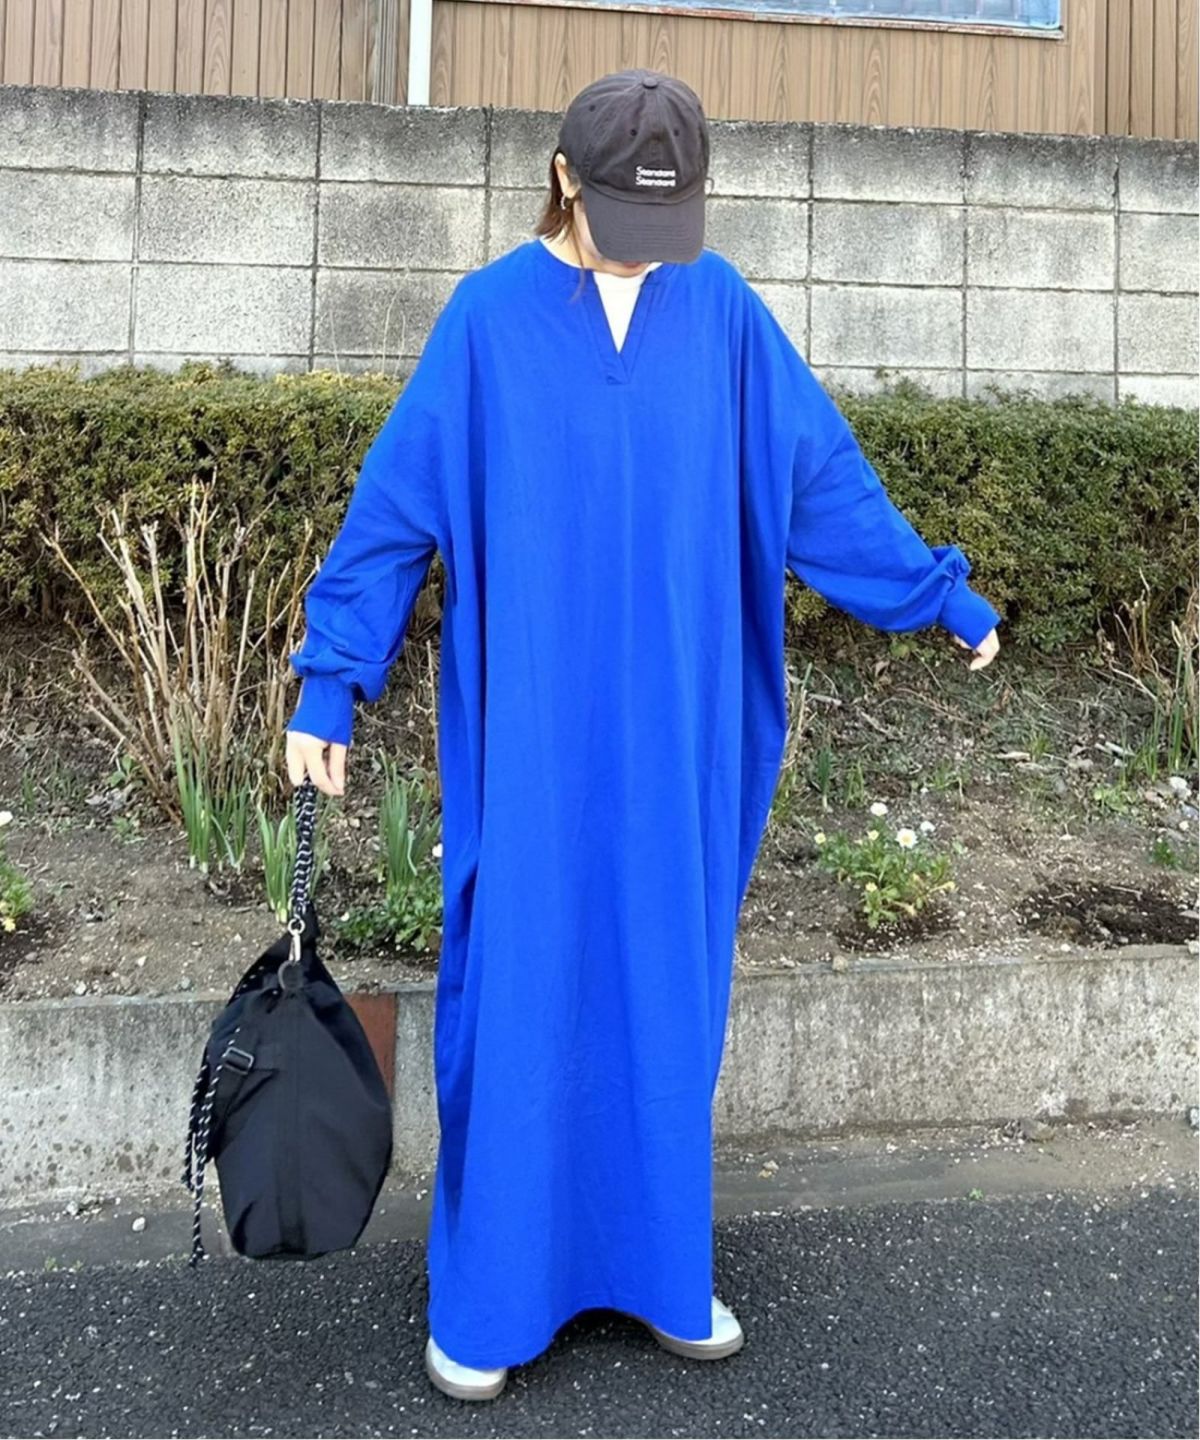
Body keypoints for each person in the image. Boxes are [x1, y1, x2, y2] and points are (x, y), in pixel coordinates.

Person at [285, 67, 1002, 1402]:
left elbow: (818, 476)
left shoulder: (719, 312)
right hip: (536, 736)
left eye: (669, 222)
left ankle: (662, 1272)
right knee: (523, 980)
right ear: (564, 176)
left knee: (665, 987)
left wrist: (933, 592)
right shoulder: (488, 321)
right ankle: (491, 1300)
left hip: (679, 730)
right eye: (625, 216)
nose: (648, 249)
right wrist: (332, 681)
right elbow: (396, 509)